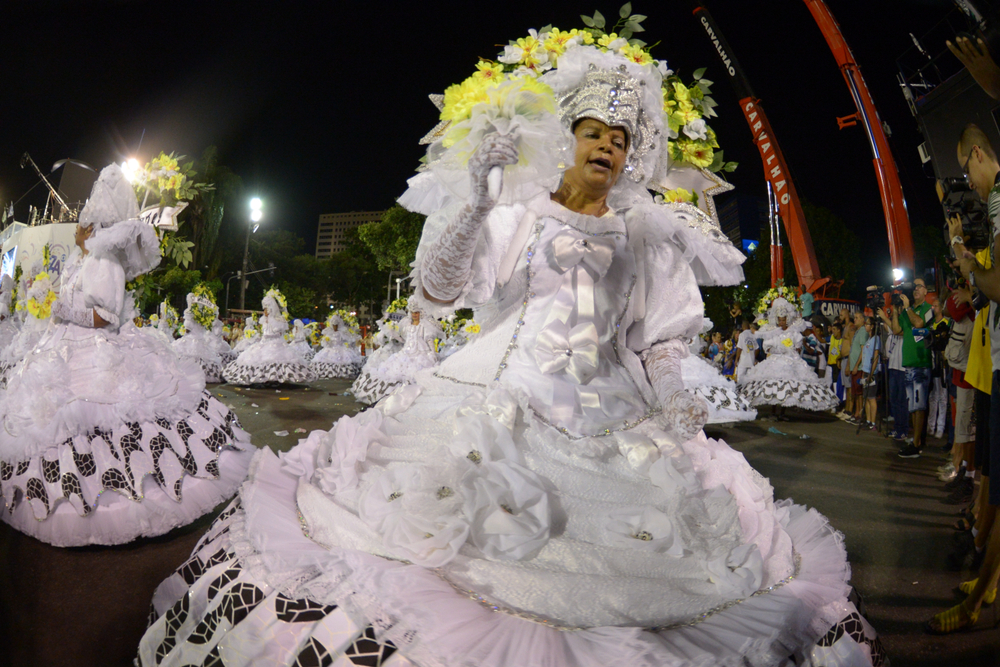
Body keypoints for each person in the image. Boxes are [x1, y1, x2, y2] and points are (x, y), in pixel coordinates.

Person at [139, 36, 880, 666]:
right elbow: (438, 285)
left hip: (614, 412)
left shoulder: (649, 234)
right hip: (501, 395)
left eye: (620, 141)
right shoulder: (518, 210)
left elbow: (654, 338)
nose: (608, 149)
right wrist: (482, 198)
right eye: (595, 133)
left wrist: (674, 396)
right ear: (568, 138)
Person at [0, 164, 253, 546]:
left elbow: (105, 316)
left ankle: (116, 496)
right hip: (63, 348)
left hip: (98, 351)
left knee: (96, 419)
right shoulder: (85, 258)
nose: (80, 227)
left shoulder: (105, 262)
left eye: (86, 221)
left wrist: (64, 310)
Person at [926, 123, 1000, 632]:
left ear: (977, 153)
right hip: (994, 369)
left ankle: (977, 607)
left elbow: (993, 285)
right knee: (995, 491)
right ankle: (987, 580)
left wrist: (965, 261)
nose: (969, 185)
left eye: (966, 172)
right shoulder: (992, 207)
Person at [738, 297, 839, 418]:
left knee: (787, 388)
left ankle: (782, 413)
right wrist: (778, 350)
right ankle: (773, 411)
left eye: (783, 319)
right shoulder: (773, 332)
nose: (782, 322)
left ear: (787, 319)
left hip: (790, 361)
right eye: (780, 320)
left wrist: (792, 349)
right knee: (774, 387)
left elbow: (798, 346)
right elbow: (767, 348)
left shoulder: (793, 333)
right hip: (775, 361)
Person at [222, 288, 317, 385]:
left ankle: (275, 379)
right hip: (263, 343)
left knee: (276, 361)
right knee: (257, 359)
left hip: (276, 344)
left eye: (266, 309)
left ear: (271, 309)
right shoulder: (264, 320)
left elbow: (279, 333)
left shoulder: (277, 321)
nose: (265, 312)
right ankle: (265, 379)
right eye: (264, 309)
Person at [889, 278, 933, 458]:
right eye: (914, 287)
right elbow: (897, 330)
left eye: (919, 286)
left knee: (919, 405)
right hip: (908, 363)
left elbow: (919, 325)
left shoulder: (927, 309)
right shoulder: (910, 311)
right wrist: (894, 310)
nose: (915, 289)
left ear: (926, 292)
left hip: (920, 363)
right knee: (912, 405)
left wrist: (907, 308)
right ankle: (915, 440)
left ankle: (916, 443)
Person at [172, 285, 225, 383]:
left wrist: (183, 330)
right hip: (201, 340)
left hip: (191, 339)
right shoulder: (202, 315)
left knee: (186, 357)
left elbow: (188, 328)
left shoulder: (189, 313)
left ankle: (191, 374)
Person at [877, 305, 909, 442]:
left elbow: (896, 330)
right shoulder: (895, 323)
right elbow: (889, 327)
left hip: (903, 368)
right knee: (894, 399)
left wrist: (886, 316)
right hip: (893, 366)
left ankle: (903, 430)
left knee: (902, 401)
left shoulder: (905, 325)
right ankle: (897, 427)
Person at [310, 311, 364, 379]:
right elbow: (325, 343)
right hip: (331, 348)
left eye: (336, 325)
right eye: (333, 325)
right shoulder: (328, 332)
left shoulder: (342, 332)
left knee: (344, 361)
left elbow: (348, 340)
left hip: (341, 348)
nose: (335, 327)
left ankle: (341, 372)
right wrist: (327, 341)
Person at [859, 317, 883, 430]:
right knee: (866, 397)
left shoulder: (875, 339)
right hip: (865, 371)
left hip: (871, 373)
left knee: (872, 397)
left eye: (867, 324)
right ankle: (868, 420)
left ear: (872, 326)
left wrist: (872, 373)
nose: (865, 326)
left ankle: (873, 422)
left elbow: (876, 357)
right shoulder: (868, 339)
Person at [848, 311, 870, 425]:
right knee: (855, 392)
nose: (855, 320)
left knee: (859, 392)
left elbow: (863, 349)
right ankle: (856, 412)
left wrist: (857, 365)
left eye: (857, 318)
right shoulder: (858, 331)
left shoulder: (862, 332)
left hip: (859, 367)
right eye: (854, 318)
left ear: (863, 319)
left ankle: (859, 414)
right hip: (853, 367)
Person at [734, 319, 757, 383]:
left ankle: (740, 391)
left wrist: (736, 359)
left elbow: (739, 348)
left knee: (740, 378)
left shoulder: (742, 335)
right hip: (751, 361)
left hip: (743, 361)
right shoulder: (753, 335)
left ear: (742, 326)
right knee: (749, 380)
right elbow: (757, 348)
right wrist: (754, 357)